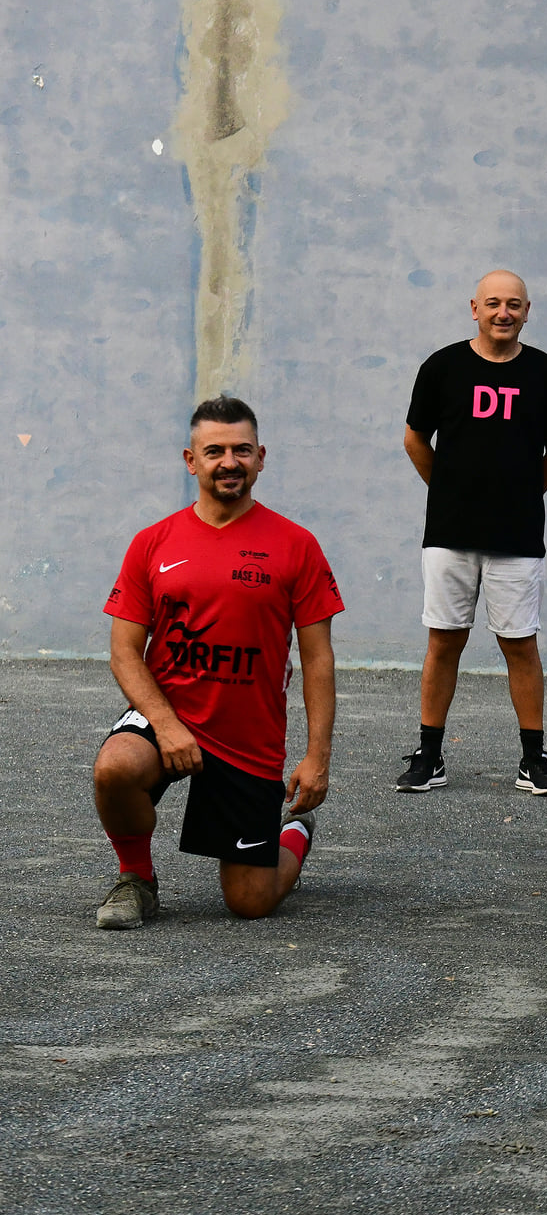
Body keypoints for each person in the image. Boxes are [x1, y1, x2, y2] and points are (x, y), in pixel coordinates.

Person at [92, 397, 344, 929]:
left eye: (241, 450)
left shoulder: (297, 546)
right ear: (191, 461)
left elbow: (318, 659)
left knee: (250, 903)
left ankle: (294, 834)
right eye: (214, 452)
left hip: (248, 734)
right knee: (116, 768)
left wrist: (317, 757)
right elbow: (123, 652)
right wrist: (166, 725)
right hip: (169, 714)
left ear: (261, 457)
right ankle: (136, 878)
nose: (229, 462)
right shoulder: (152, 543)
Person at [397, 269, 547, 796]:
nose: (504, 312)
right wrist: (450, 492)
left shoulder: (546, 373)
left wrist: (520, 498)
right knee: (444, 641)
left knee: (520, 645)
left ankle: (533, 760)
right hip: (449, 533)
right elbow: (414, 439)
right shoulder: (442, 367)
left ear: (527, 311)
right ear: (474, 308)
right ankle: (429, 756)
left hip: (517, 537)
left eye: (514, 304)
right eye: (493, 303)